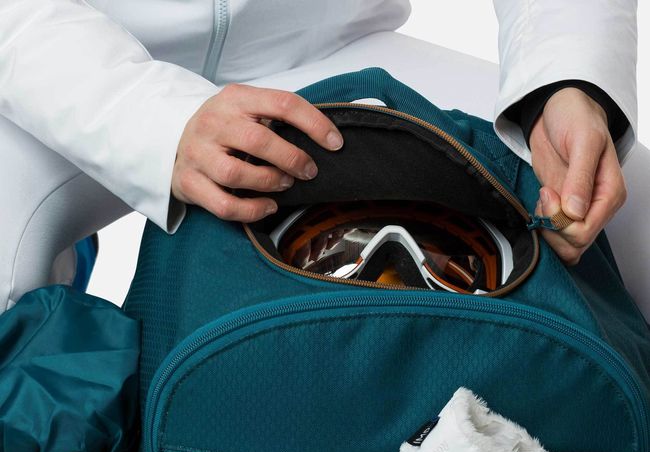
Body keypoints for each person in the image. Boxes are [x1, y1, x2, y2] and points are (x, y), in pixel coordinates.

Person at [0, 1, 646, 319]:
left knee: (632, 210)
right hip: (61, 68)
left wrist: (567, 81)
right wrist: (154, 118)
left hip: (328, 44)